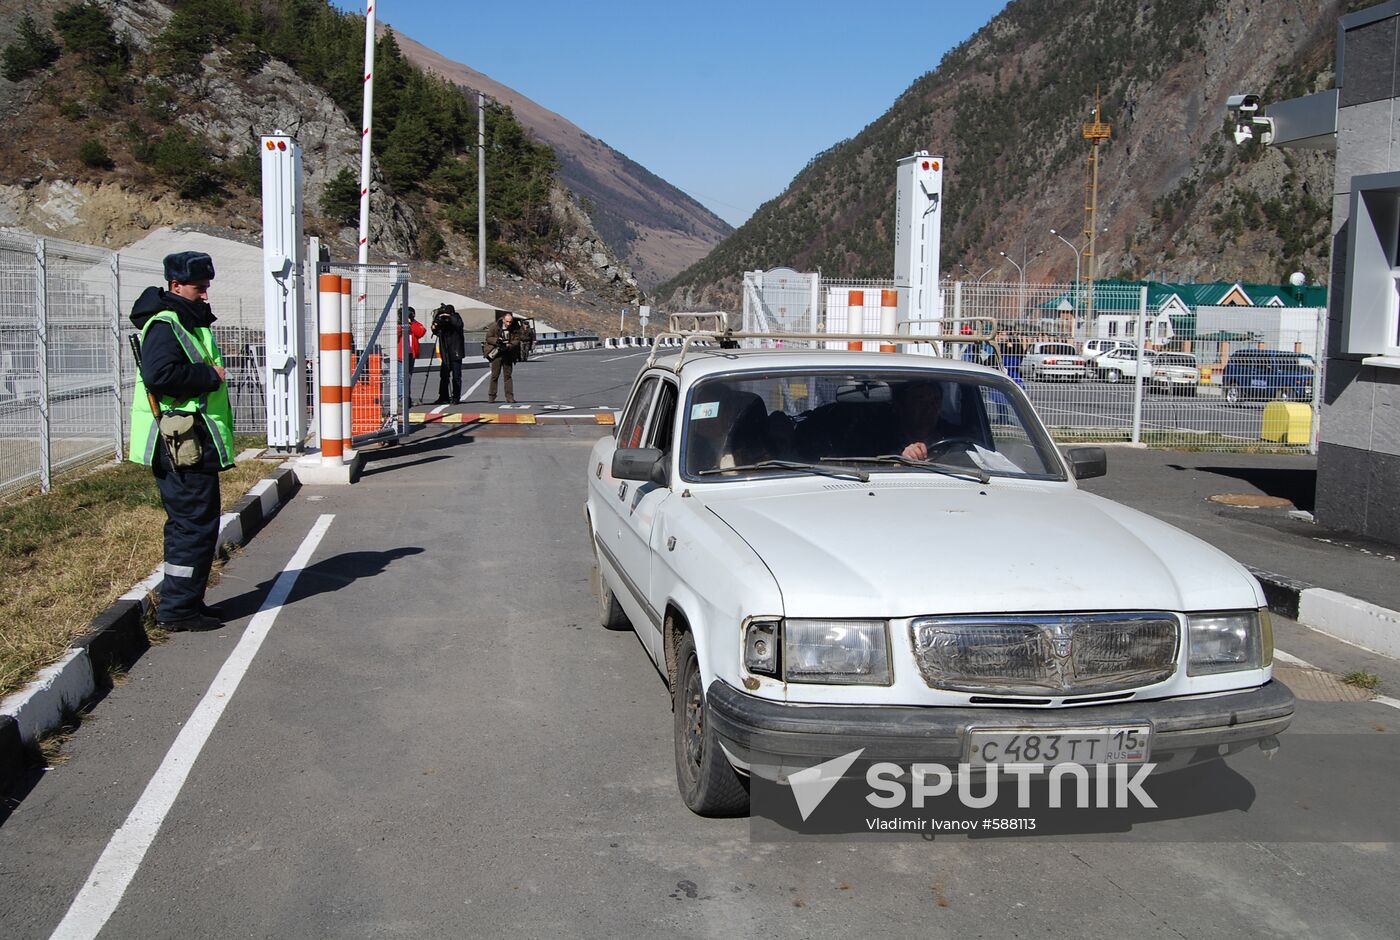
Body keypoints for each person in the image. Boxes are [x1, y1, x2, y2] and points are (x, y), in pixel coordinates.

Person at [128, 251, 234, 632]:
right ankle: (177, 610)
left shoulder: (187, 321)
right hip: (179, 443)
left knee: (197, 524)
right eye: (199, 288)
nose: (205, 295)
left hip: (191, 440)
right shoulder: (166, 323)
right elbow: (160, 375)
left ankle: (188, 600)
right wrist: (210, 375)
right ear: (176, 286)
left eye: (207, 287)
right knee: (192, 525)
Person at [891, 381, 945, 460]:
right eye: (920, 401)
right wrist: (901, 459)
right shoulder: (882, 440)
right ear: (901, 406)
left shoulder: (955, 436)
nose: (929, 408)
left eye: (935, 401)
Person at [484, 311, 522, 404]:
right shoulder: (495, 326)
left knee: (508, 376)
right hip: (497, 353)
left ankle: (509, 397)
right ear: (503, 320)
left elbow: (517, 339)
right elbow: (488, 337)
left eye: (510, 322)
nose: (508, 324)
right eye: (507, 321)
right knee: (494, 375)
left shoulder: (515, 327)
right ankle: (492, 396)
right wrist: (497, 341)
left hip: (508, 353)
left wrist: (510, 345)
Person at [430, 303, 465, 404]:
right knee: (444, 375)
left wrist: (449, 317)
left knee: (456, 376)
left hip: (456, 351)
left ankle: (456, 397)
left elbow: (458, 324)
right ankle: (443, 396)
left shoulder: (456, 318)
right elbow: (436, 331)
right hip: (445, 352)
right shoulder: (443, 320)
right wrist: (436, 323)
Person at [396, 306, 426, 407]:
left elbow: (421, 332)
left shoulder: (414, 324)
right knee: (401, 377)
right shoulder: (398, 325)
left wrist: (411, 323)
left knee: (408, 377)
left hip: (411, 354)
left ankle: (407, 398)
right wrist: (403, 325)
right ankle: (401, 398)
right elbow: (396, 333)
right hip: (401, 355)